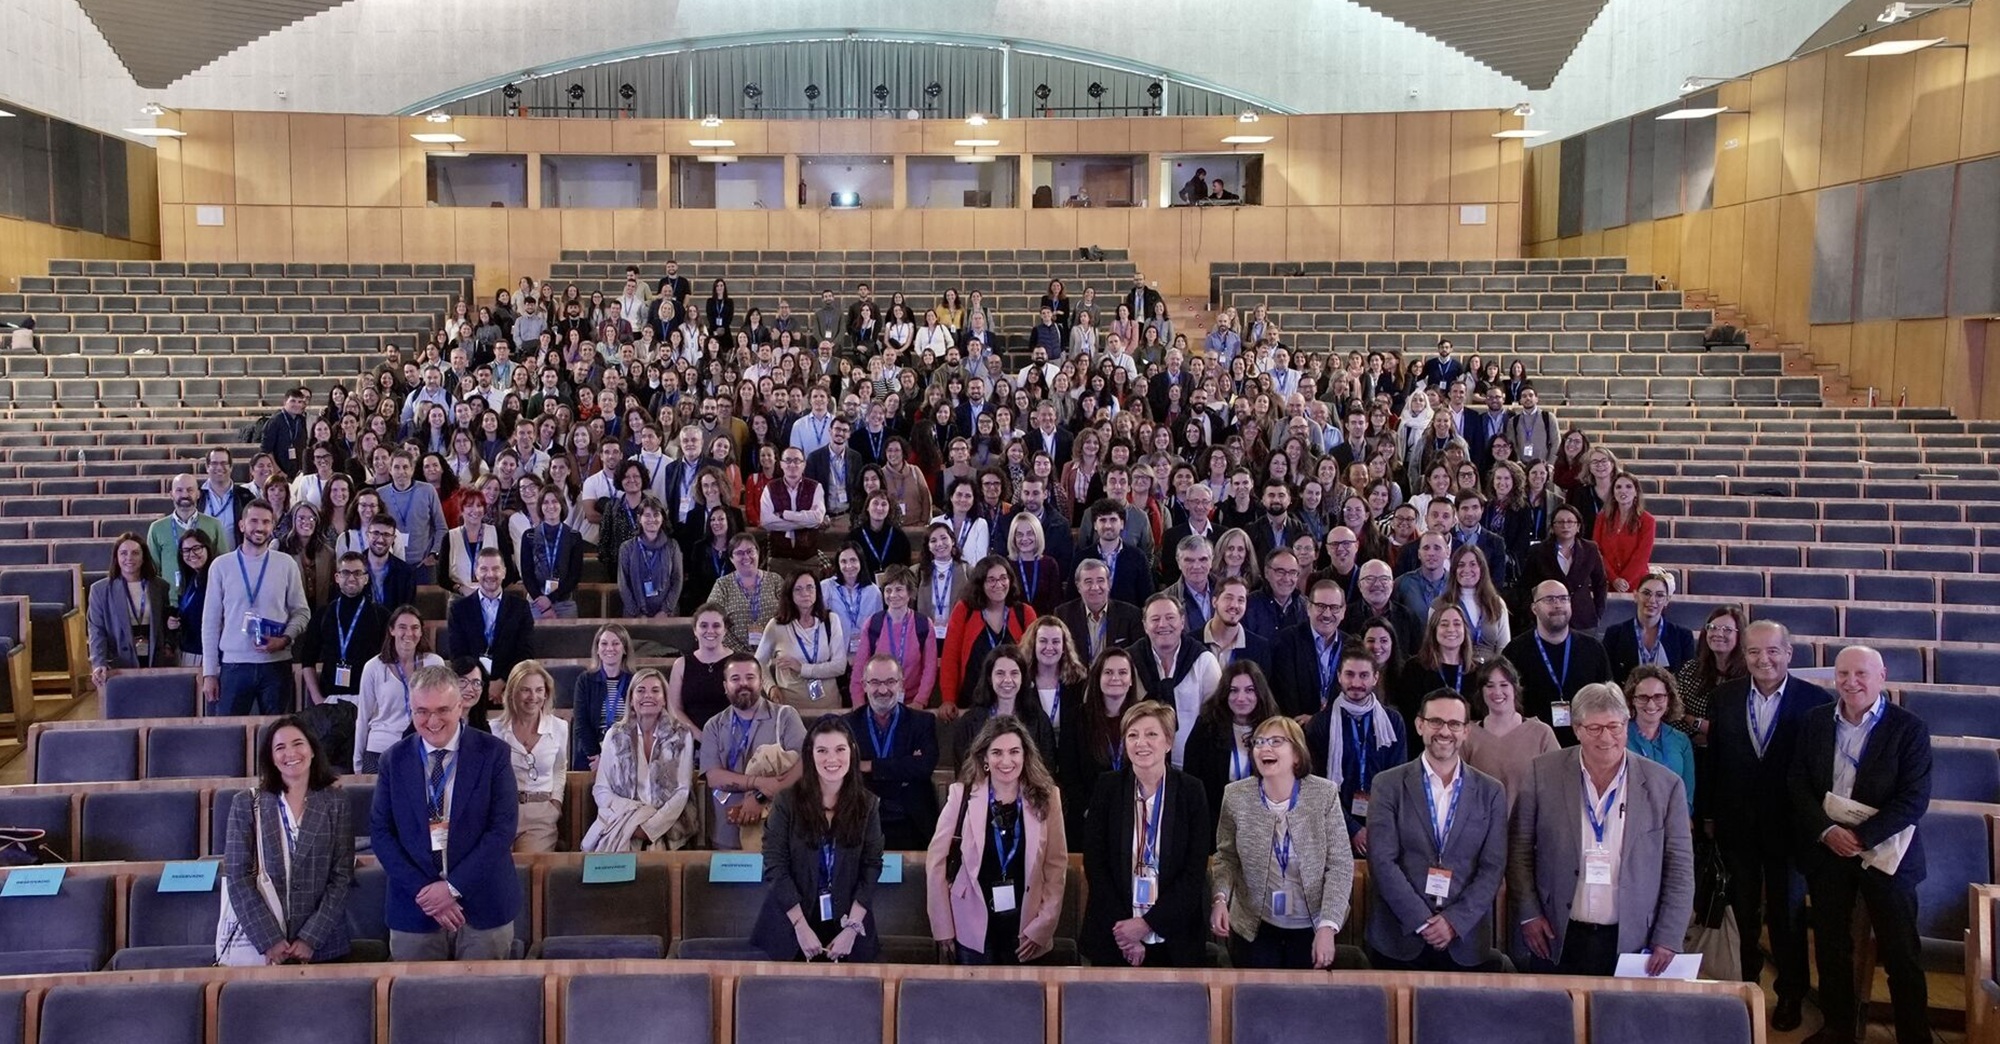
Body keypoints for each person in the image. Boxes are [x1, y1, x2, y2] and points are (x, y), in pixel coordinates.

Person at [1789, 645, 1933, 1044]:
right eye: (1843, 674)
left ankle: (1913, 1035)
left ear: (1882, 675)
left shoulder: (1910, 728)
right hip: (1829, 850)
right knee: (1832, 949)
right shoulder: (1816, 721)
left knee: (1901, 954)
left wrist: (1862, 837)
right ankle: (1838, 1028)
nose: (1851, 682)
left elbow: (1914, 798)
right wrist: (1827, 832)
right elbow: (1798, 783)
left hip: (1888, 854)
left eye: (1860, 674)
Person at [1509, 682, 1694, 977]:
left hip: (1634, 941)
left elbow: (1680, 869)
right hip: (1556, 933)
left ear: (1626, 724)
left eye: (1614, 726)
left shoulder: (1666, 785)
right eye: (1595, 728)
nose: (1606, 737)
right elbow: (1519, 850)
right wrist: (1529, 914)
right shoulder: (1541, 773)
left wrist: (1669, 936)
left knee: (1620, 1023)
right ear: (1577, 728)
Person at [1703, 620, 1829, 1029]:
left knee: (1787, 916)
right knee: (1742, 913)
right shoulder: (1724, 697)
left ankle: (1790, 995)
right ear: (1745, 655)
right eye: (1754, 652)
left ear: (1789, 654)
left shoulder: (1815, 702)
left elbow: (1818, 773)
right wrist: (1708, 816)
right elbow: (1715, 761)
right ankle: (1745, 987)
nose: (1763, 659)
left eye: (1773, 650)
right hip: (1736, 825)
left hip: (1791, 830)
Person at [368, 663, 521, 961]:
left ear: (461, 705)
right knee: (417, 1006)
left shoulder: (494, 753)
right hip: (415, 907)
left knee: (486, 1004)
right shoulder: (392, 761)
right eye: (421, 711)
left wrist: (452, 887)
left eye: (442, 710)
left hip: (484, 906)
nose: (432, 720)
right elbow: (381, 833)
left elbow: (502, 829)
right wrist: (429, 893)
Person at [1363, 688, 1509, 972]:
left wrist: (1453, 922)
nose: (1445, 731)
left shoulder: (1491, 792)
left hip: (1465, 942)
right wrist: (1421, 919)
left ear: (1466, 731)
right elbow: (1381, 860)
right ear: (1420, 725)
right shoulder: (1387, 785)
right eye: (1436, 722)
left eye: (1454, 724)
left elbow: (1492, 867)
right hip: (1399, 938)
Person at [928, 713, 1070, 965]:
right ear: (984, 757)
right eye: (997, 753)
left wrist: (1043, 925)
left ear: (1025, 755)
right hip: (970, 925)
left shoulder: (1048, 798)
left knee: (1024, 1002)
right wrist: (943, 929)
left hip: (1026, 926)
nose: (1006, 761)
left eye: (1014, 752)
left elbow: (1056, 867)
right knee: (977, 1002)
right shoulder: (961, 795)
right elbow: (936, 864)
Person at [1210, 716, 1351, 969]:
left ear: (1297, 754)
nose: (1265, 748)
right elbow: (1226, 857)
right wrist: (1220, 898)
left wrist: (1328, 925)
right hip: (1255, 924)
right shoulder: (1236, 795)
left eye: (1276, 741)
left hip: (1312, 925)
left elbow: (1340, 864)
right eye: (1259, 742)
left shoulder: (1324, 794)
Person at [1079, 702, 1210, 968]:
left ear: (1168, 742)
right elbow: (1096, 865)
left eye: (1151, 734)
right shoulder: (1107, 788)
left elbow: (1193, 872)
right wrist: (1127, 935)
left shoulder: (1191, 791)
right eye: (1132, 735)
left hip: (1175, 937)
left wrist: (1147, 925)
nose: (1141, 743)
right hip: (1114, 935)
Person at [220, 716, 353, 965]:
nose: (290, 753)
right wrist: (269, 939)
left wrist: (310, 938)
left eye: (298, 743)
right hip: (262, 947)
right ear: (270, 757)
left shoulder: (336, 803)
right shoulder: (245, 804)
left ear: (312, 749)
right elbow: (238, 877)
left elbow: (342, 876)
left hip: (324, 945)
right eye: (280, 748)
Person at [751, 716, 886, 961]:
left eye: (840, 749)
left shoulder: (868, 804)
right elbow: (775, 866)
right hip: (792, 926)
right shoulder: (786, 802)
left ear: (852, 752)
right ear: (810, 755)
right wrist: (801, 927)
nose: (831, 759)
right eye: (822, 750)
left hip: (848, 927)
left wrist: (852, 929)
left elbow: (871, 867)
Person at [201, 500, 311, 716]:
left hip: (276, 665)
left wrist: (285, 639)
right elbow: (211, 622)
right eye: (254, 521)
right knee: (228, 734)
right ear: (242, 525)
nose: (259, 527)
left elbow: (302, 612)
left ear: (272, 526)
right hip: (234, 665)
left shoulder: (286, 563)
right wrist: (210, 673)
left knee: (276, 733)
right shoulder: (221, 566)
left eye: (266, 522)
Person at [700, 652, 809, 851]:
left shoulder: (785, 717)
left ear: (760, 682)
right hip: (727, 828)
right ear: (725, 686)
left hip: (777, 825)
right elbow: (714, 777)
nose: (743, 683)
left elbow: (805, 765)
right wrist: (759, 783)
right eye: (735, 679)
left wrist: (760, 796)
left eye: (750, 677)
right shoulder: (713, 726)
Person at [583, 667, 699, 852]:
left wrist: (650, 828)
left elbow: (682, 791)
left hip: (668, 826)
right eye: (641, 690)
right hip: (622, 822)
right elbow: (601, 789)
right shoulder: (614, 735)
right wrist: (632, 821)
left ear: (664, 698)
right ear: (631, 699)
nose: (648, 696)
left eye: (655, 690)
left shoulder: (681, 734)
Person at [1306, 648, 1407, 852]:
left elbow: (1397, 781)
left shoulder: (1393, 722)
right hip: (1332, 825)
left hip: (1382, 825)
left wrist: (1376, 827)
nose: (1356, 683)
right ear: (1338, 677)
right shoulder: (1320, 724)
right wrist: (1352, 829)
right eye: (1349, 674)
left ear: (1375, 678)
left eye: (1364, 675)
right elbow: (1316, 785)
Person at [845, 655, 942, 852]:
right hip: (862, 819)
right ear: (864, 685)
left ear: (901, 684)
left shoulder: (922, 722)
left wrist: (869, 766)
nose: (883, 690)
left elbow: (924, 767)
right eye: (875, 682)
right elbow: (845, 769)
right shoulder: (847, 725)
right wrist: (904, 765)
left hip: (911, 820)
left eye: (890, 681)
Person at [1503, 579, 1612, 746]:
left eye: (1563, 598)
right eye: (1549, 599)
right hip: (1533, 744)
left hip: (1584, 743)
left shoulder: (1593, 649)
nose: (1558, 605)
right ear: (1534, 608)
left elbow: (1607, 701)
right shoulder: (1515, 652)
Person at [1181, 661, 1281, 842]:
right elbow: (1192, 783)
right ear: (1224, 693)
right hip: (1215, 824)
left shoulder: (1275, 730)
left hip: (1263, 826)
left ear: (1260, 693)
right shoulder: (1206, 728)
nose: (1241, 698)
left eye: (1249, 690)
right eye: (1234, 690)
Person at [1131, 593, 1221, 765]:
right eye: (1155, 619)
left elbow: (1216, 717)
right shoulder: (1130, 661)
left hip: (1194, 764)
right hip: (1142, 763)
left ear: (1182, 622)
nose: (1163, 624)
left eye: (1170, 617)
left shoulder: (1204, 661)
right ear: (1144, 625)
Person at [352, 605, 444, 773]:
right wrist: (357, 761)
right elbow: (363, 717)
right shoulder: (373, 667)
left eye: (415, 628)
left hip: (422, 747)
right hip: (381, 749)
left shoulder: (435, 664)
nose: (409, 633)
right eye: (402, 627)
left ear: (421, 632)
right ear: (391, 630)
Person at [939, 556, 1037, 712]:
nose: (998, 584)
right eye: (991, 580)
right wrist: (948, 699)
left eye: (1003, 578)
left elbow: (1033, 661)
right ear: (980, 584)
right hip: (972, 703)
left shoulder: (1025, 613)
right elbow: (950, 658)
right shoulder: (964, 610)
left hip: (1014, 704)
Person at [1460, 659, 1558, 810]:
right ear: (1481, 691)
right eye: (1490, 686)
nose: (1497, 692)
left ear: (1515, 688)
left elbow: (1557, 786)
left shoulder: (1541, 733)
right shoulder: (1467, 734)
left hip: (1529, 828)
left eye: (1504, 685)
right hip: (1481, 828)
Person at [441, 548, 533, 708]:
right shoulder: (459, 609)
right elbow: (458, 654)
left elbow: (525, 652)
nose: (490, 574)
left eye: (496, 568)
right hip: (471, 690)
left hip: (510, 689)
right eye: (484, 569)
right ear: (476, 572)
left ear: (504, 572)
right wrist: (480, 684)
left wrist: (502, 682)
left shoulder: (520, 607)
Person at [493, 661, 567, 853]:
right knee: (498, 870)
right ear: (512, 693)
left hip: (541, 813)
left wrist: (556, 803)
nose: (533, 697)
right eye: (525, 690)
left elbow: (560, 768)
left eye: (539, 690)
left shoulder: (559, 727)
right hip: (502, 812)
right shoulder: (494, 730)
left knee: (527, 872)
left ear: (546, 693)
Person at [86, 534, 174, 688]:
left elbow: (165, 623)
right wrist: (98, 662)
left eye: (135, 553)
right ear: (116, 557)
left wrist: (168, 645)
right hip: (120, 661)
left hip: (155, 659)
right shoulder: (99, 590)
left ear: (143, 557)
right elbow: (96, 630)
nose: (129, 558)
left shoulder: (160, 586)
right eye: (123, 553)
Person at [757, 570, 849, 710]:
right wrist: (771, 687)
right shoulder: (777, 625)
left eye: (810, 587)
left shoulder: (831, 620)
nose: (805, 593)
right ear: (790, 594)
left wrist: (802, 668)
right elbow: (758, 662)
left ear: (817, 591)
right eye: (798, 589)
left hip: (829, 706)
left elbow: (839, 666)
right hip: (790, 708)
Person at [850, 565, 938, 708]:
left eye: (899, 589)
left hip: (912, 703)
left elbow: (929, 668)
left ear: (909, 592)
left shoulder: (923, 625)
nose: (892, 595)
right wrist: (858, 702)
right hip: (878, 701)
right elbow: (860, 667)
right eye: (888, 590)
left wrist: (919, 702)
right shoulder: (873, 624)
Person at [1270, 579, 1356, 720]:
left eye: (1334, 607)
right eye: (1321, 606)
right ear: (1308, 608)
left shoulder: (1351, 645)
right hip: (1296, 729)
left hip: (1338, 728)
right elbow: (1285, 694)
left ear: (1343, 611)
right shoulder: (1286, 641)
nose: (1327, 614)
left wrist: (1320, 721)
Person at [1522, 505, 1608, 633]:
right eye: (1560, 522)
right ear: (1552, 527)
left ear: (1578, 526)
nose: (1565, 526)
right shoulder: (1538, 551)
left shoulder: (1590, 549)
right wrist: (1533, 614)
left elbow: (1600, 583)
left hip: (1583, 618)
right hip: (1549, 617)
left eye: (1570, 522)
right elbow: (1526, 585)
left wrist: (1598, 613)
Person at [1623, 665, 1696, 813]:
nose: (1651, 704)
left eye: (1658, 696)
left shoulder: (1681, 740)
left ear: (1669, 699)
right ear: (1632, 700)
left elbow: (1687, 791)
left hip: (1671, 821)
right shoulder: (1619, 736)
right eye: (1643, 697)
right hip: (1629, 820)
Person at [1604, 572, 1696, 682]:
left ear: (1667, 600)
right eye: (1646, 593)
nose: (1652, 600)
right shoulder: (1614, 634)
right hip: (1625, 697)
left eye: (1660, 595)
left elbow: (1687, 680)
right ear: (1636, 596)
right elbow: (1607, 678)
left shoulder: (1683, 636)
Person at [1673, 606, 1747, 743]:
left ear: (1739, 635)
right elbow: (1674, 712)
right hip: (1692, 746)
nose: (1718, 633)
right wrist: (1695, 736)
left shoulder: (1749, 676)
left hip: (1735, 751)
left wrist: (1693, 721)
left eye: (1727, 630)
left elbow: (1742, 727)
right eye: (1712, 627)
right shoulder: (1691, 669)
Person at [149, 474, 225, 600]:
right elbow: (153, 571)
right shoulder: (157, 528)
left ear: (198, 494)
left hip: (206, 599)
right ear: (171, 494)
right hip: (170, 602)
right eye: (179, 490)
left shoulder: (214, 525)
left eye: (190, 490)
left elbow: (222, 564)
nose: (185, 494)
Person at [1053, 558, 1144, 663]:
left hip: (1115, 677)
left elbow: (1137, 659)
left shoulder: (1131, 615)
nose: (1095, 587)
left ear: (1109, 584)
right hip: (1077, 677)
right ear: (1078, 587)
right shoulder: (1063, 615)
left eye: (1100, 580)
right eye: (1088, 581)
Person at [710, 533, 784, 654]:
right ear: (731, 558)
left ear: (758, 553)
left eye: (750, 551)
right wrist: (740, 653)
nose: (746, 557)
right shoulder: (722, 585)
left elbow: (789, 614)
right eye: (739, 553)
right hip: (734, 655)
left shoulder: (776, 580)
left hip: (775, 653)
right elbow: (713, 620)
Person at [519, 489, 584, 619]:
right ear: (540, 507)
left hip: (564, 602)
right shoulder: (529, 536)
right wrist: (542, 602)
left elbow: (574, 575)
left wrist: (551, 598)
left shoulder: (574, 536)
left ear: (562, 505)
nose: (550, 506)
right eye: (545, 502)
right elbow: (527, 573)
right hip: (536, 602)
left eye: (555, 501)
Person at [616, 495, 684, 618]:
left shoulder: (672, 546)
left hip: (667, 614)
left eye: (656, 514)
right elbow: (623, 585)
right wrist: (637, 613)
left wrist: (665, 610)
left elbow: (677, 580)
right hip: (634, 615)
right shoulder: (627, 548)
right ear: (639, 519)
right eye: (647, 515)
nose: (652, 519)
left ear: (663, 518)